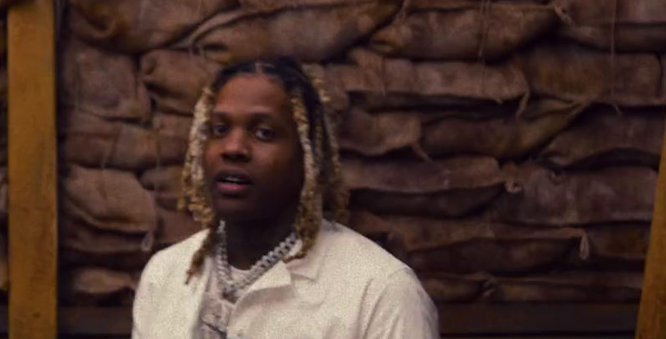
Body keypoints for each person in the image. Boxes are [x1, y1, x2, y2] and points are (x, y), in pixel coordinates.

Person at [131, 57, 439, 339]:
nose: (233, 147)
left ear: (308, 158)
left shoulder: (380, 292)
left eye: (264, 133)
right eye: (220, 129)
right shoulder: (166, 275)